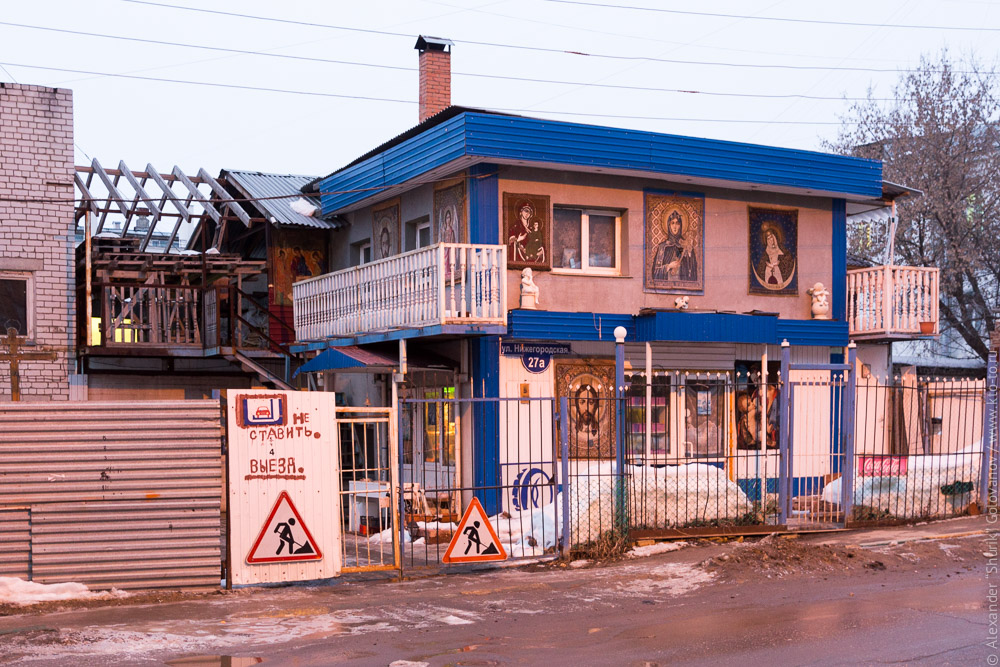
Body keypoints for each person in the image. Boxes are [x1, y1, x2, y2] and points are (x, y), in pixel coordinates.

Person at [650, 210, 697, 282]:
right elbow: (655, 273)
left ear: (680, 226)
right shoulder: (663, 247)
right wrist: (668, 266)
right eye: (672, 223)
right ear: (669, 226)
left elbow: (693, 271)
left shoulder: (685, 246)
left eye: (677, 223)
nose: (675, 226)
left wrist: (689, 254)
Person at [755, 224, 795, 290]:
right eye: (768, 238)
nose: (771, 240)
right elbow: (761, 267)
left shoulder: (782, 249)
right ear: (766, 241)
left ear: (775, 237)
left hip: (780, 276)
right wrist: (767, 265)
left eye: (772, 237)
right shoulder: (765, 253)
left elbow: (789, 261)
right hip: (768, 274)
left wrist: (779, 263)